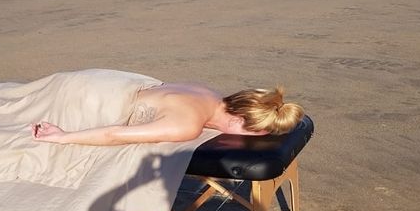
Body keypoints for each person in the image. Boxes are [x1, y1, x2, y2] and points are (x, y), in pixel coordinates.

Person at [31, 82, 303, 146]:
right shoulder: (187, 126)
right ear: (237, 120)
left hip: (95, 82)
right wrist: (63, 137)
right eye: (250, 134)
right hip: (84, 100)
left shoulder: (205, 93)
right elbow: (115, 134)